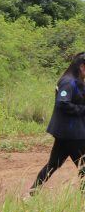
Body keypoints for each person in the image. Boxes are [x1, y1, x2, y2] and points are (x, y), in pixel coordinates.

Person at [30, 53, 85, 191]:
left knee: (53, 164)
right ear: (82, 66)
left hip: (67, 133)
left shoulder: (76, 81)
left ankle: (33, 192)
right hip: (73, 134)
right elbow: (63, 103)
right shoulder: (68, 82)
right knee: (83, 167)